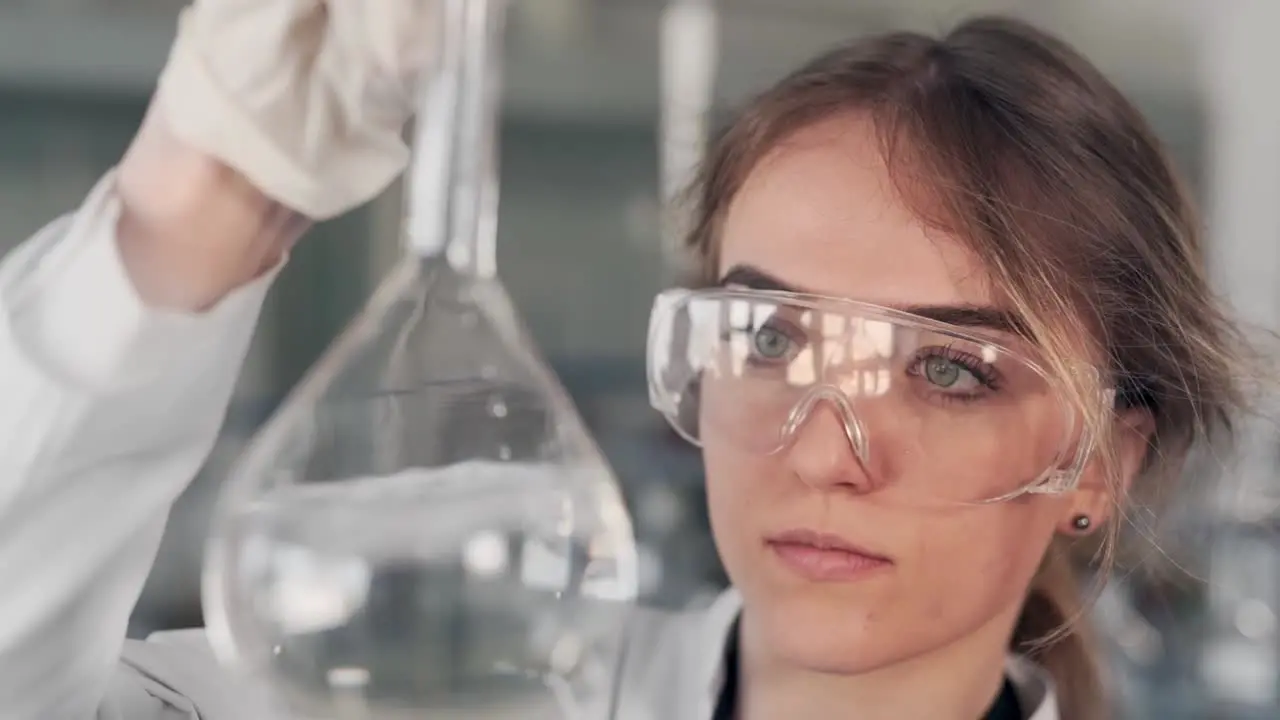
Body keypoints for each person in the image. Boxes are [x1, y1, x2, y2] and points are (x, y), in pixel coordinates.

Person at [0, 2, 1255, 719]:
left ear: (1105, 458)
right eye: (765, 336)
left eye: (949, 369)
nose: (821, 449)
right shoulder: (468, 678)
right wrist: (189, 215)